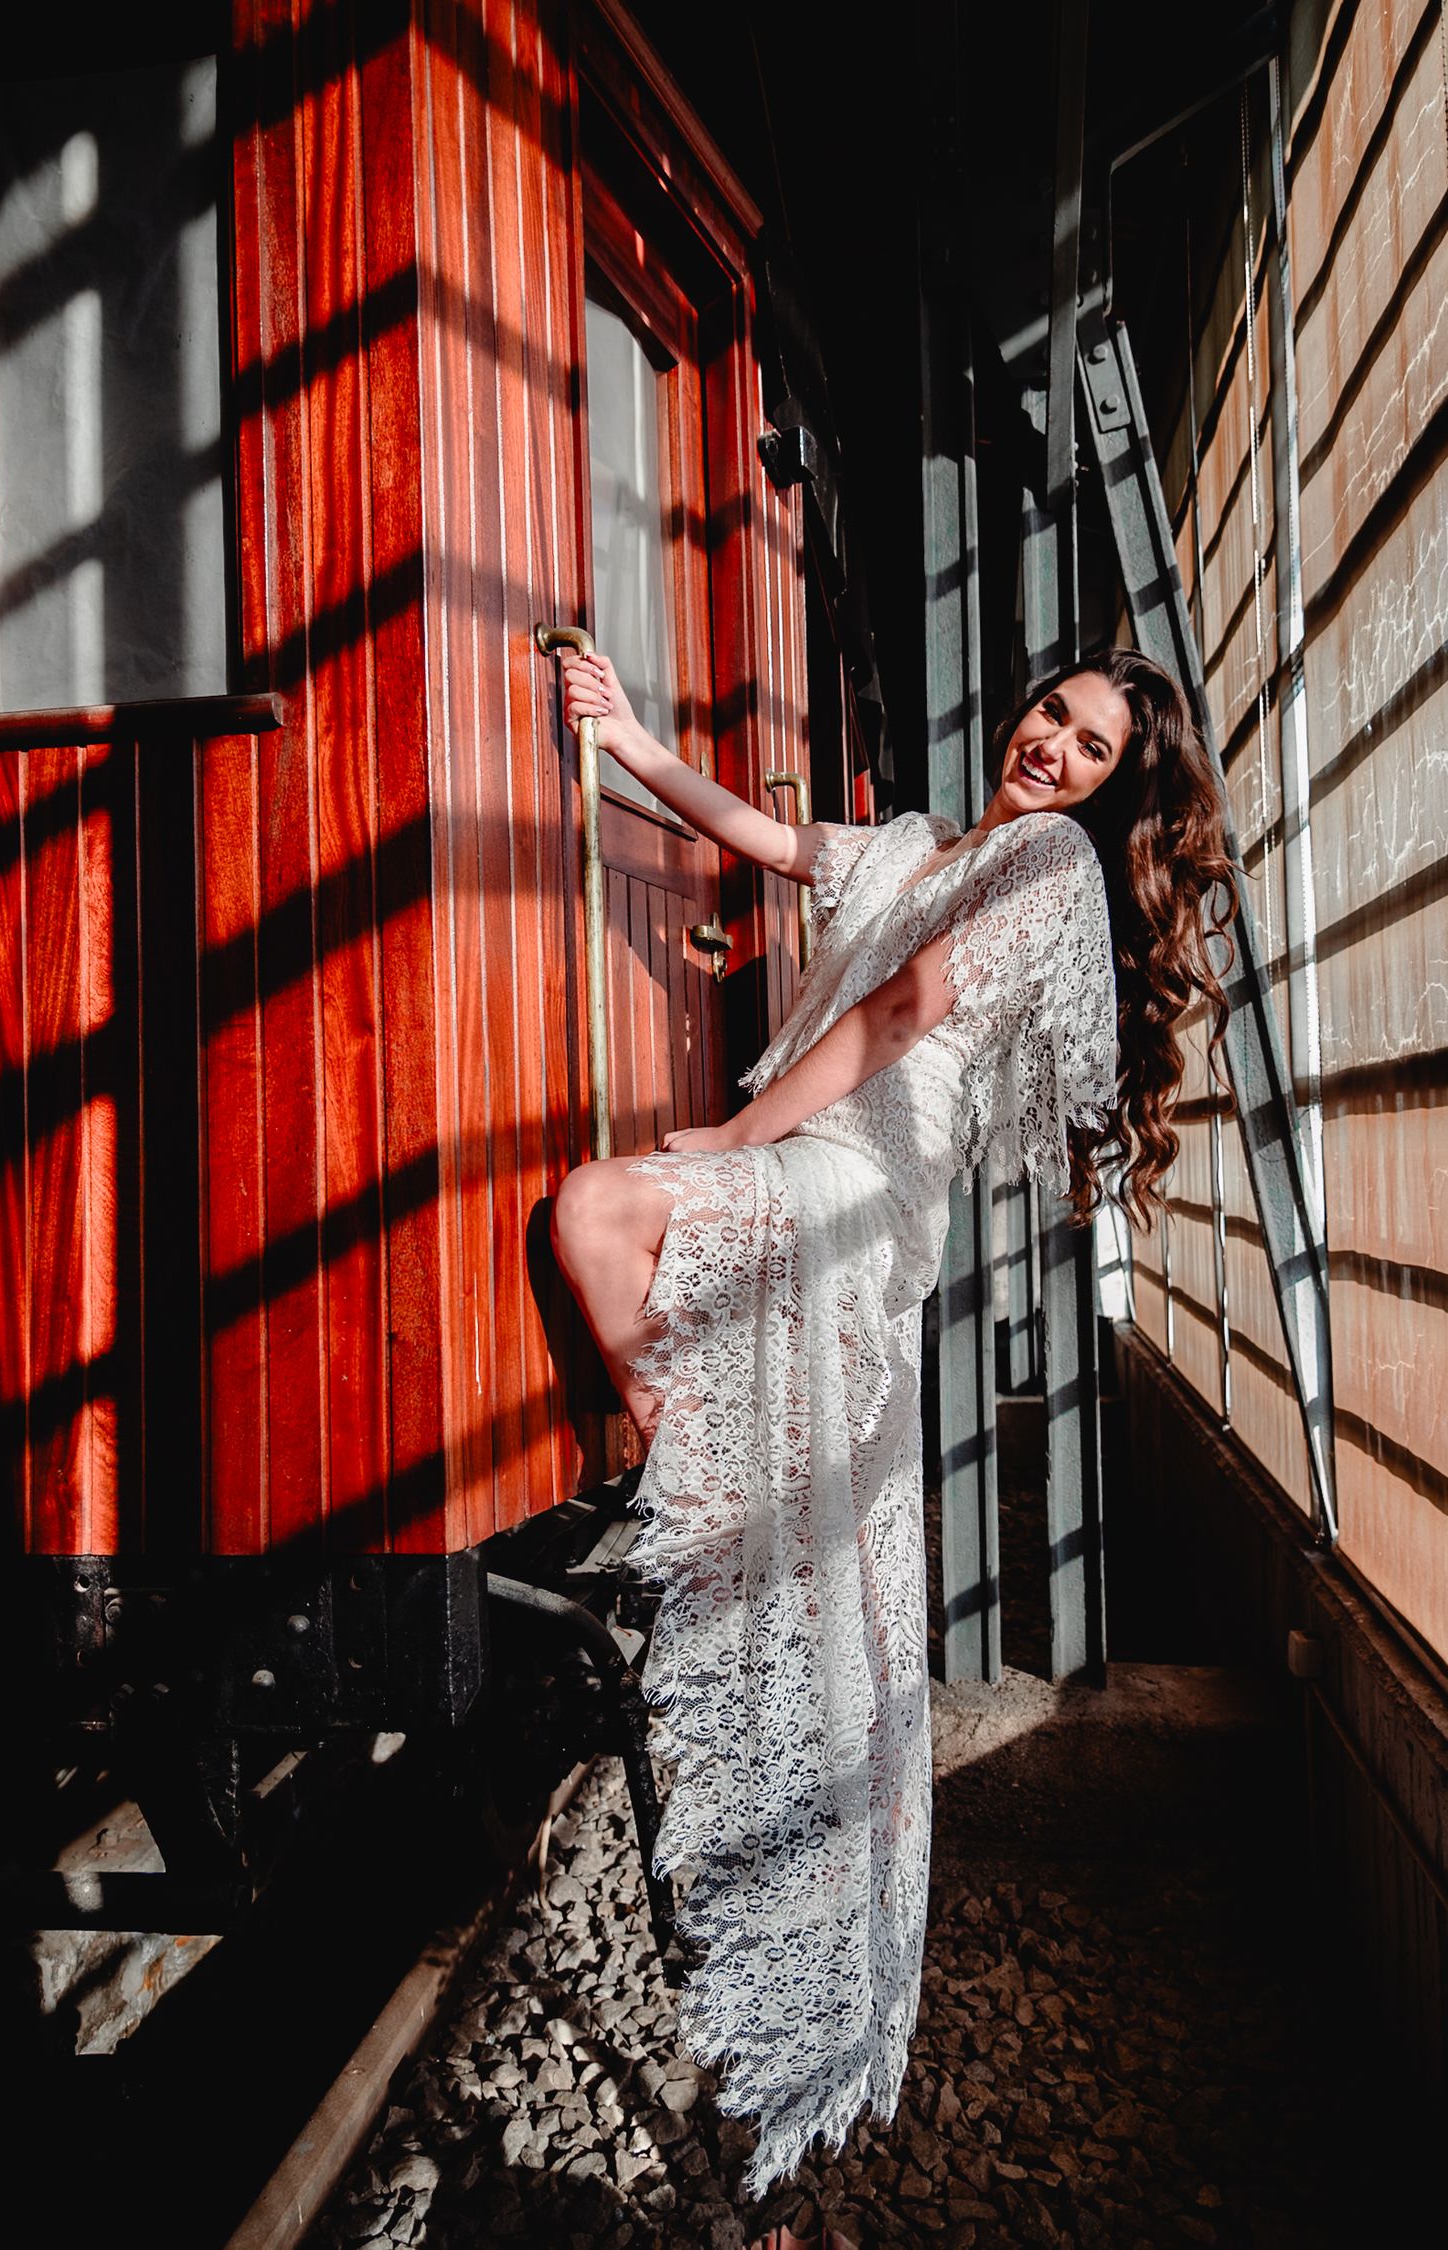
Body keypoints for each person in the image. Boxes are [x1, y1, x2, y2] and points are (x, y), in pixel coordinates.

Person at [549, 644, 1238, 2211]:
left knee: (596, 1211)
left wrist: (735, 1128)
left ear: (1114, 783)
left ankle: (701, 1494)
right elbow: (774, 842)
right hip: (818, 1183)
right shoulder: (931, 843)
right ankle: (709, 1494)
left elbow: (916, 1001)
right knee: (617, 1250)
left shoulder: (1049, 865)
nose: (1055, 746)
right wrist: (633, 737)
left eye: (1092, 741)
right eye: (1053, 713)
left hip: (855, 1199)